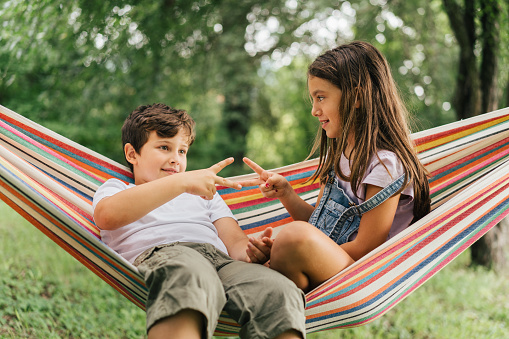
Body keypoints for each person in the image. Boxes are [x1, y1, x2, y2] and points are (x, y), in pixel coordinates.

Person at [92, 103, 306, 339]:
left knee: (279, 291)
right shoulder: (118, 188)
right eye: (164, 147)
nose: (176, 160)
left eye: (182, 151)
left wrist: (253, 252)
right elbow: (106, 216)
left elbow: (235, 244)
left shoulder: (206, 195)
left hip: (222, 263)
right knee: (191, 275)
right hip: (170, 255)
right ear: (132, 153)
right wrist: (183, 182)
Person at [239, 41, 431, 293]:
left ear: (357, 97)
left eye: (320, 97)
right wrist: (286, 194)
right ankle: (274, 280)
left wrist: (290, 250)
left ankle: (273, 274)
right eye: (313, 99)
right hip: (331, 263)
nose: (314, 110)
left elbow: (366, 248)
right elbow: (319, 228)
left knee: (292, 236)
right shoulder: (340, 156)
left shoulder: (386, 166)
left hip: (360, 273)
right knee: (285, 238)